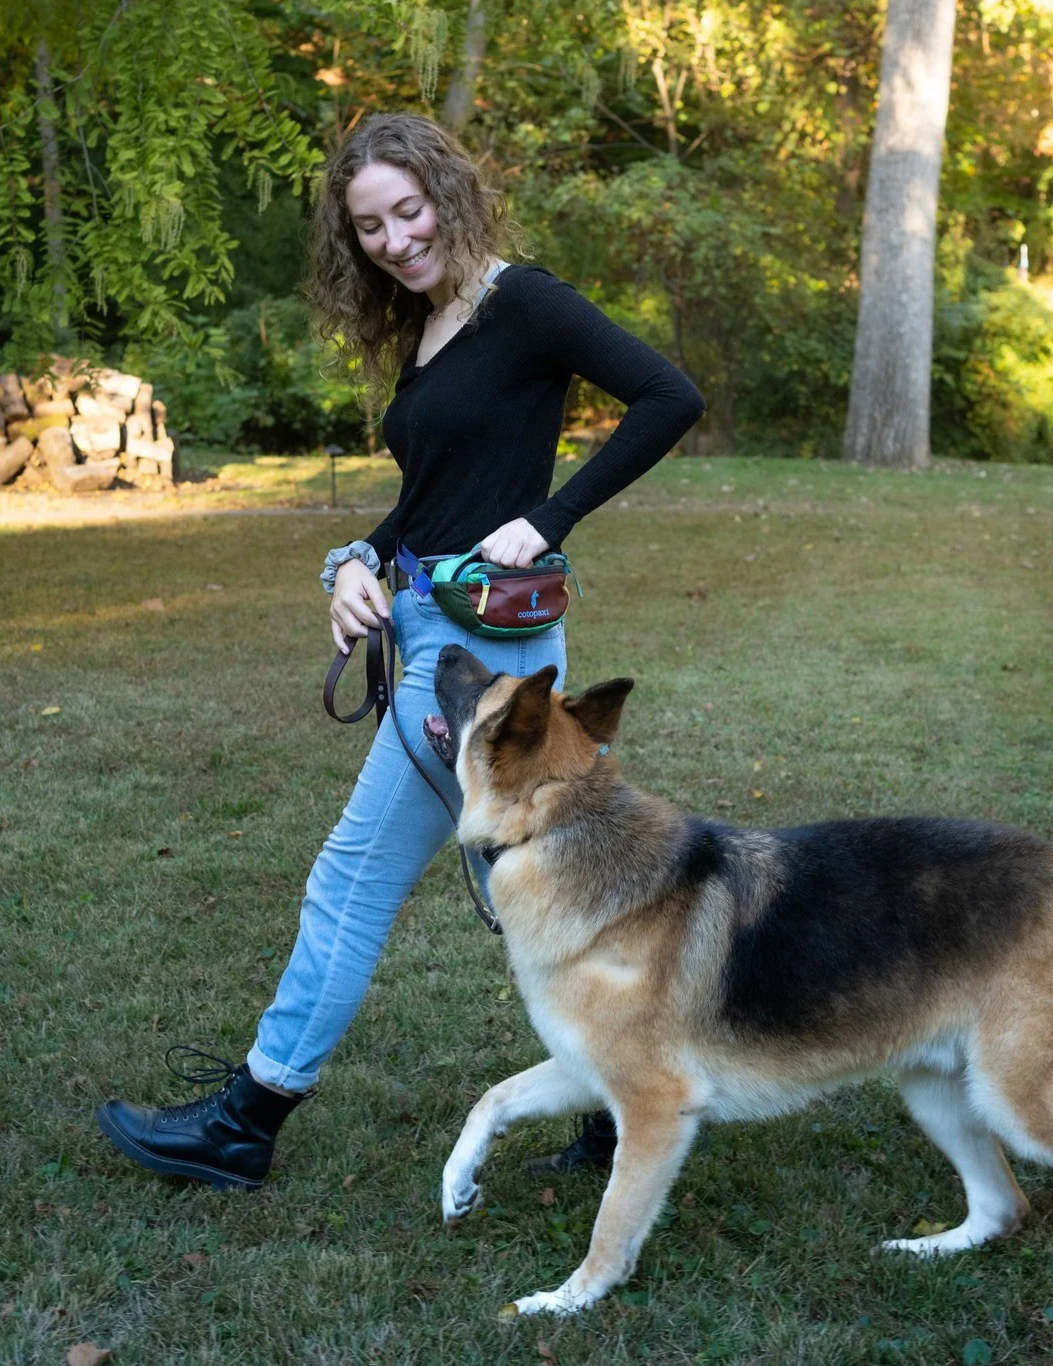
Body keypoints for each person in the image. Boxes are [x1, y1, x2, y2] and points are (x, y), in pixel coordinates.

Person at [96, 113, 705, 1191]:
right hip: (431, 624)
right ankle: (629, 1099)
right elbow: (429, 504)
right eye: (369, 226)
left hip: (475, 650)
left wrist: (551, 516)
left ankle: (250, 1114)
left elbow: (669, 396)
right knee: (533, 880)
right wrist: (354, 562)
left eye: (407, 210)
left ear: (449, 191)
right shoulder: (428, 330)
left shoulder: (527, 303)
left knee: (352, 882)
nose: (392, 238)